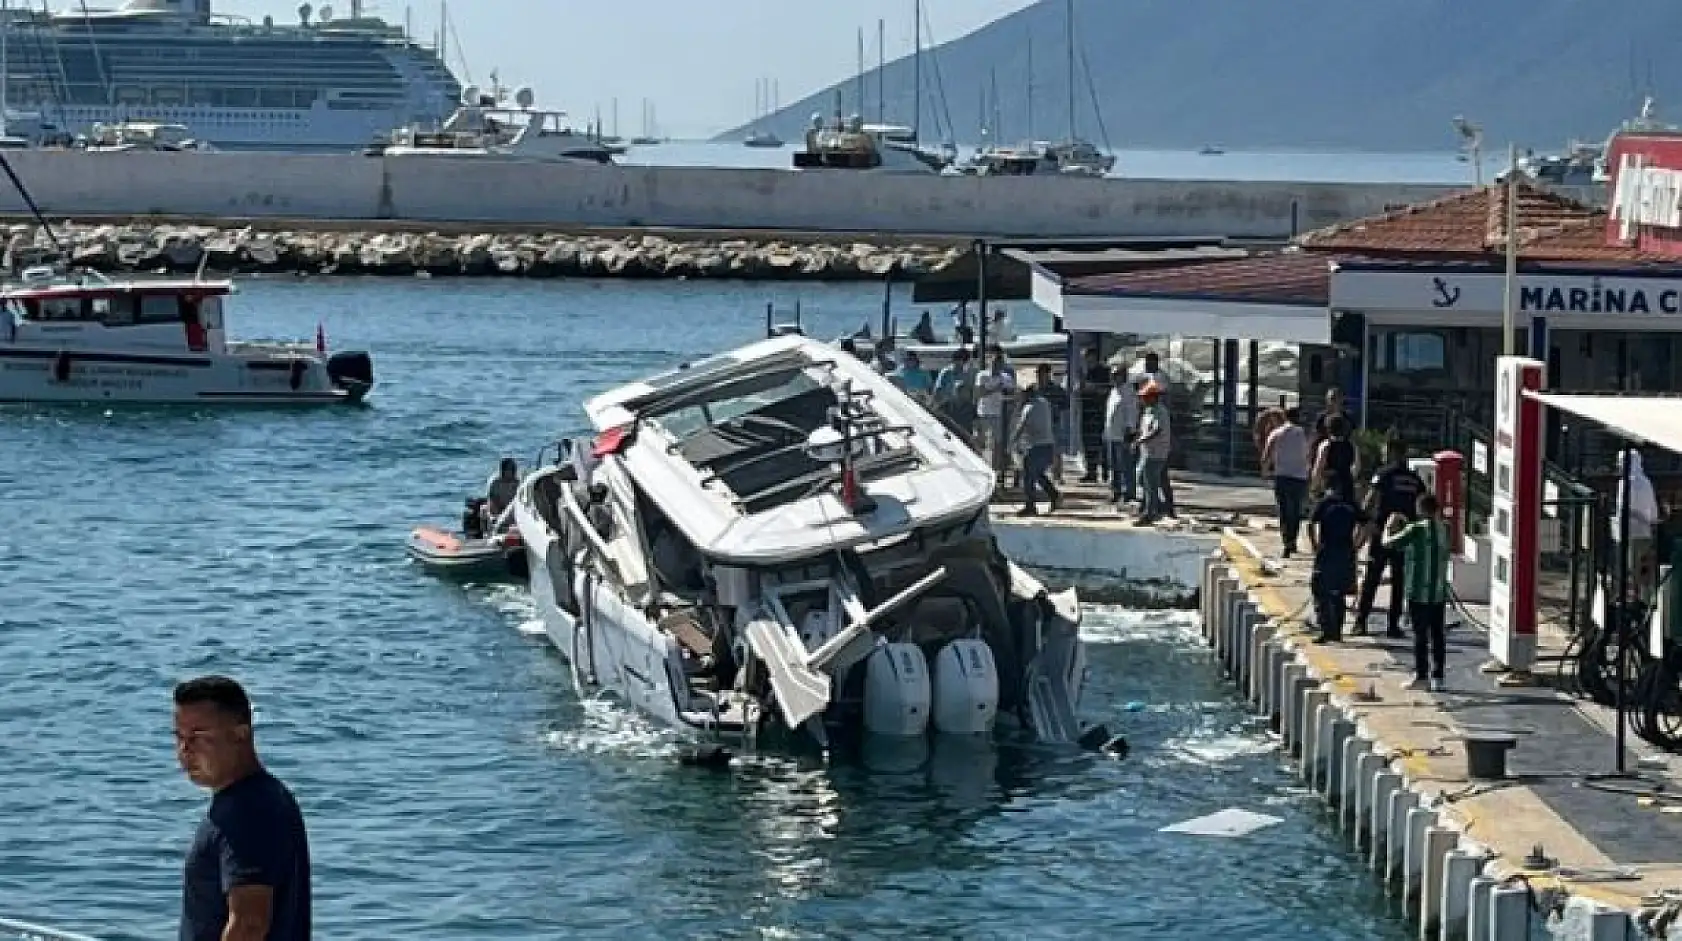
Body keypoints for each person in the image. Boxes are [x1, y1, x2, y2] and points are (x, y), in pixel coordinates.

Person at [175, 676, 310, 941]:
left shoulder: (248, 811)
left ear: (241, 734)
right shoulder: (260, 798)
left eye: (198, 736)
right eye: (179, 737)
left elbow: (249, 924)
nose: (184, 749)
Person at [1354, 438, 1425, 638]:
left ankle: (1361, 621)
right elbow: (1421, 507)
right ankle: (1393, 625)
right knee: (1399, 582)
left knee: (1372, 578)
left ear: (1393, 452)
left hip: (1383, 533)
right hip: (1404, 536)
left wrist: (1364, 522)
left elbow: (1370, 500)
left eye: (1386, 451)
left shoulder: (1383, 474)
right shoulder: (1414, 479)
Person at [1382, 494, 1453, 691]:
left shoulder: (1414, 530)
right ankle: (1438, 676)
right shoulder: (1444, 529)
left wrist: (1389, 526)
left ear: (1419, 509)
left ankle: (1421, 676)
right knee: (1438, 634)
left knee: (1420, 635)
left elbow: (1387, 543)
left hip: (1417, 591)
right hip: (1438, 591)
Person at [1308, 486, 1366, 643]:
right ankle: (1337, 631)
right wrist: (1357, 544)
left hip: (1327, 551)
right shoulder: (1352, 504)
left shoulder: (1325, 503)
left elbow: (1311, 524)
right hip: (1346, 552)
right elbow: (1366, 525)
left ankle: (1327, 629)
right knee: (1338, 593)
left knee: (1320, 589)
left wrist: (1314, 545)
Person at [1261, 407, 1312, 557]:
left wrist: (1265, 471)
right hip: (1299, 477)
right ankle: (1293, 540)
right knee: (1296, 510)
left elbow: (1267, 453)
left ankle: (1286, 542)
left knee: (1284, 510)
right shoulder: (1304, 434)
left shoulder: (1276, 433)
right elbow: (1309, 454)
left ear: (1284, 417)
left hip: (1282, 476)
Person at [1614, 449, 1661, 601]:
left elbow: (1622, 508)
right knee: (1644, 569)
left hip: (1629, 532)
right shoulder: (1646, 482)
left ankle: (1633, 601)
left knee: (1630, 568)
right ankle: (1646, 600)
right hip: (1645, 532)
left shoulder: (1624, 483)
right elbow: (1653, 508)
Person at [1135, 351, 1176, 517]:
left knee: (1152, 481)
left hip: (1157, 451)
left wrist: (1140, 440)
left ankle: (1152, 510)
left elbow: (1157, 430)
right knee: (1148, 479)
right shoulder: (1148, 410)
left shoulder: (1159, 410)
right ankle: (1156, 506)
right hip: (1149, 451)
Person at [1011, 382, 1060, 516]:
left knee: (1028, 474)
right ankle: (1054, 495)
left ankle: (1030, 505)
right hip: (1048, 445)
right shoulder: (1044, 403)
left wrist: (1012, 442)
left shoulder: (1029, 408)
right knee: (1037, 474)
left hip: (1037, 446)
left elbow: (1020, 427)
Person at [974, 345, 1017, 463]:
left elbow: (1012, 393)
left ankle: (995, 467)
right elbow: (979, 393)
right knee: (981, 440)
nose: (997, 365)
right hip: (983, 412)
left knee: (997, 442)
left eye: (999, 363)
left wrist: (1006, 392)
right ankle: (979, 462)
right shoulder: (982, 375)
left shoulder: (1006, 377)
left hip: (998, 413)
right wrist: (995, 389)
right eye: (994, 362)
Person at [1103, 368, 1139, 505]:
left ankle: (1128, 492)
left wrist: (1129, 432)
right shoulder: (1113, 392)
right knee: (1114, 466)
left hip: (1122, 435)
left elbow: (1132, 413)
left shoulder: (1129, 393)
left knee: (1125, 465)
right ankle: (1116, 491)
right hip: (1111, 434)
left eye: (1115, 375)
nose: (1113, 378)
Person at [1080, 347, 1112, 483]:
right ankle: (1091, 472)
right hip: (1087, 412)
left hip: (1099, 412)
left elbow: (1107, 389)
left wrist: (1093, 388)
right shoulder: (1085, 372)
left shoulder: (1104, 371)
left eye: (1088, 357)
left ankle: (1105, 472)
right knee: (1088, 443)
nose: (1086, 361)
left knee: (1102, 444)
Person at [1034, 363, 1070, 480]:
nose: (1040, 376)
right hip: (1038, 425)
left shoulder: (1056, 389)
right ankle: (1040, 473)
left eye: (1043, 373)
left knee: (1056, 450)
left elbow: (1066, 404)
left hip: (1053, 422)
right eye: (1039, 373)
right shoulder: (1034, 389)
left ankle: (1057, 475)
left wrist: (1054, 407)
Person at [1313, 414, 1358, 503]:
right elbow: (1356, 468)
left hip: (1330, 484)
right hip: (1347, 484)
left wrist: (1315, 486)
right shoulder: (1352, 446)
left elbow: (1318, 468)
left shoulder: (1326, 445)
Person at [933, 347, 978, 434]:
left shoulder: (970, 373)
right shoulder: (946, 372)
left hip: (964, 407)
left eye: (964, 361)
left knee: (965, 433)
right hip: (948, 407)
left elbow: (973, 391)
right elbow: (938, 390)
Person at [484, 457, 520, 522]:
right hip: (497, 509)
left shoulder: (518, 482)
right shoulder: (495, 482)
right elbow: (491, 500)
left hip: (512, 510)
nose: (509, 472)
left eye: (511, 469)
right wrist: (495, 515)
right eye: (507, 469)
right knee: (483, 510)